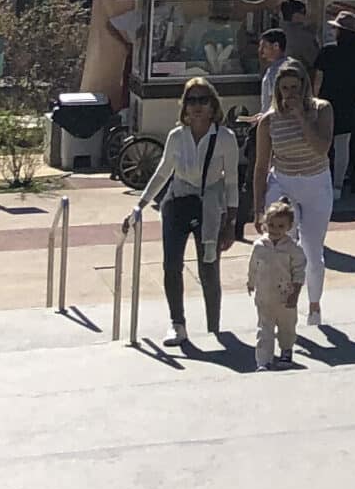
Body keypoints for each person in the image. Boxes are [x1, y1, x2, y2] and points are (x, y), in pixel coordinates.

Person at [128, 79, 241, 348]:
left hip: (209, 205)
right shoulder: (176, 137)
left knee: (209, 267)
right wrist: (140, 205)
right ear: (184, 107)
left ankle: (214, 326)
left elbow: (232, 182)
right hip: (177, 202)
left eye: (203, 100)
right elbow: (163, 171)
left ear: (214, 106)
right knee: (171, 265)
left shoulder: (225, 138)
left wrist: (231, 223)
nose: (197, 106)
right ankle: (177, 324)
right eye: (191, 100)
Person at [251, 63, 335, 326]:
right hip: (283, 182)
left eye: (295, 89)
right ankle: (286, 302)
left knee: (311, 248)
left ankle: (314, 305)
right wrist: (257, 208)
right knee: (284, 242)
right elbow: (261, 165)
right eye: (284, 88)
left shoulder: (322, 109)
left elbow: (321, 147)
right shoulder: (268, 120)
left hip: (315, 183)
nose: (289, 94)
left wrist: (301, 116)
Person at [312, 11, 355, 195]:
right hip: (349, 102)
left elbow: (317, 80)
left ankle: (322, 182)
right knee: (343, 145)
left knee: (322, 144)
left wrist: (314, 99)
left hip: (325, 102)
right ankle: (338, 185)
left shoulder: (328, 51)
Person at [248, 198, 308, 369]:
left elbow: (299, 271)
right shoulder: (260, 246)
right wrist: (251, 282)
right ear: (266, 224)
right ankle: (263, 361)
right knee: (264, 329)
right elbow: (253, 266)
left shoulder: (293, 248)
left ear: (289, 227)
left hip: (285, 297)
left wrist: (295, 292)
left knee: (286, 327)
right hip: (264, 296)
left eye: (281, 226)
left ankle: (286, 352)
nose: (275, 230)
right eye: (272, 225)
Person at [278, 0, 323, 72]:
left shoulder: (276, 31)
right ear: (297, 15)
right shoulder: (304, 37)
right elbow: (316, 61)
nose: (306, 16)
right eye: (304, 13)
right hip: (298, 77)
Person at [256, 27, 290, 112]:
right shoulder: (292, 65)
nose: (260, 51)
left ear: (276, 46)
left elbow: (274, 103)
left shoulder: (275, 71)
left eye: (264, 46)